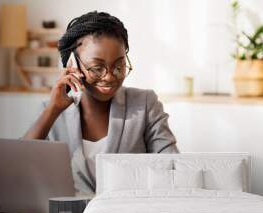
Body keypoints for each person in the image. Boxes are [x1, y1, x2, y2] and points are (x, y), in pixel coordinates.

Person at [23, 11, 178, 193]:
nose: (110, 76)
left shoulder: (144, 104)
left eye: (119, 66)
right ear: (73, 65)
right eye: (97, 68)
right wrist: (52, 110)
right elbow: (20, 167)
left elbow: (173, 165)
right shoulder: (52, 112)